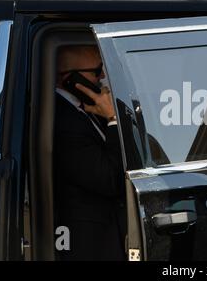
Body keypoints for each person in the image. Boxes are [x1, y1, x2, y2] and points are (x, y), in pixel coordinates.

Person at [53, 45, 126, 261]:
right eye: (97, 71)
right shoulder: (62, 122)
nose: (103, 76)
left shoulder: (86, 110)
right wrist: (113, 119)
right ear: (70, 79)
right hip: (88, 243)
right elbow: (110, 179)